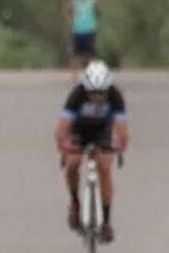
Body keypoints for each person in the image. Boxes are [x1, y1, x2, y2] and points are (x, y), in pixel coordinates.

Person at [54, 60, 129, 242]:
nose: (96, 96)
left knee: (104, 167)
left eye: (101, 93)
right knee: (72, 164)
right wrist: (63, 146)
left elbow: (122, 130)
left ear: (108, 89)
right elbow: (62, 127)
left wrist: (119, 146)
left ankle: (106, 221)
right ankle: (75, 202)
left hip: (102, 130)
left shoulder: (115, 96)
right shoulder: (77, 95)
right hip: (79, 129)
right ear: (86, 89)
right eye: (92, 92)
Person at [67, 0, 99, 74]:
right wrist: (71, 21)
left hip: (89, 30)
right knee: (75, 55)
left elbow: (98, 12)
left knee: (91, 54)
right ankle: (75, 78)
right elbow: (67, 11)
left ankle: (94, 75)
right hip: (77, 31)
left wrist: (94, 22)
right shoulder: (74, 2)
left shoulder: (92, 1)